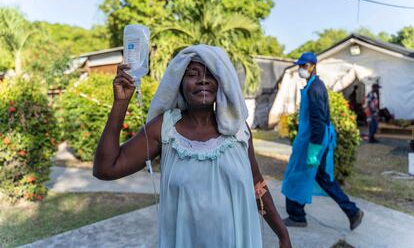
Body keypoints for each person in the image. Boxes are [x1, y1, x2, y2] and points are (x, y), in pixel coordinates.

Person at [93, 45, 291, 248]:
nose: (202, 79)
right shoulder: (165, 129)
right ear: (179, 84)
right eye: (192, 74)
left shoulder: (238, 130)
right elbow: (106, 168)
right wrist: (120, 103)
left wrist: (282, 234)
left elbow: (256, 184)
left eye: (210, 74)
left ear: (221, 83)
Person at [281, 52, 364, 230]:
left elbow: (318, 121)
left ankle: (296, 216)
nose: (301, 69)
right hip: (314, 139)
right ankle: (352, 211)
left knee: (297, 174)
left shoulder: (315, 88)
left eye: (304, 66)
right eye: (300, 66)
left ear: (313, 66)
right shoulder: (313, 85)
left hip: (313, 141)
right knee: (322, 178)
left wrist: (313, 150)